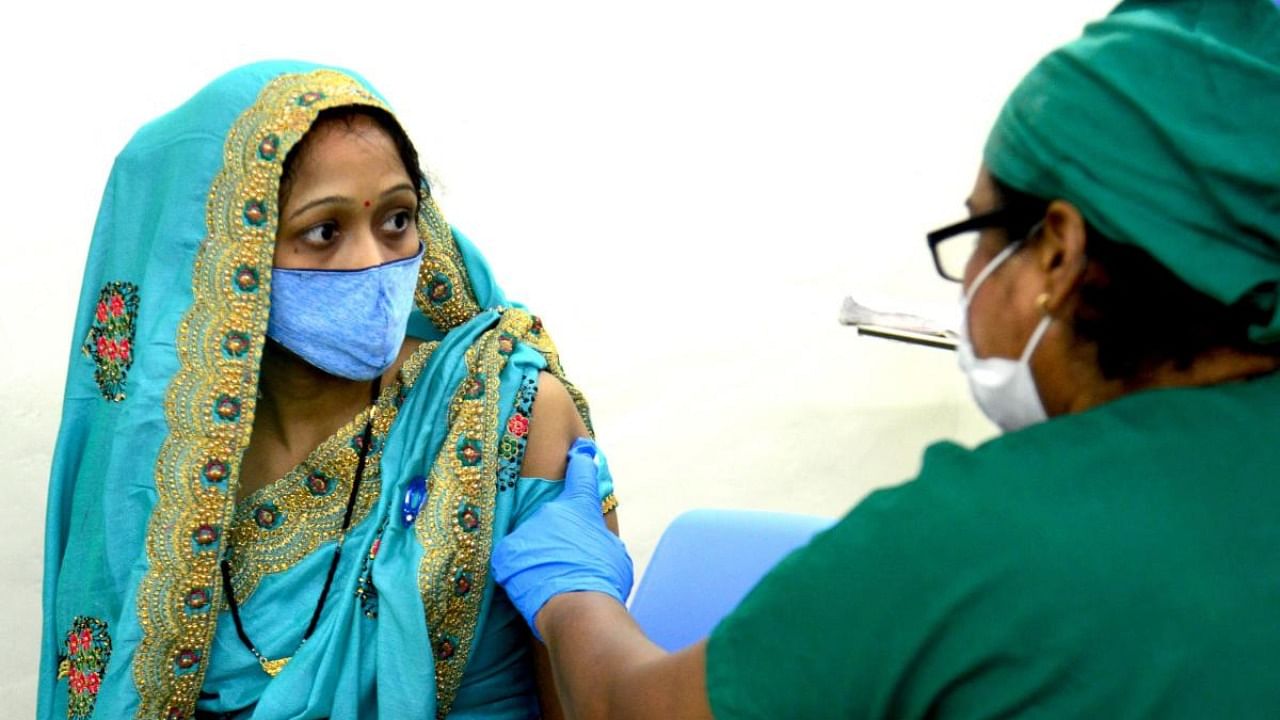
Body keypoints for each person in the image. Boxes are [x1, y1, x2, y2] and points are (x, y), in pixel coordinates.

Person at [492, 1, 1280, 717]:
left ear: (1058, 257)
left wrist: (573, 590)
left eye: (979, 238)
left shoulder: (970, 541)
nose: (969, 280)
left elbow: (636, 712)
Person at [39, 61, 617, 720]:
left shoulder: (498, 408)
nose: (372, 261)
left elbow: (590, 700)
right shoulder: (162, 475)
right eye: (324, 232)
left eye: (397, 220)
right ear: (227, 256)